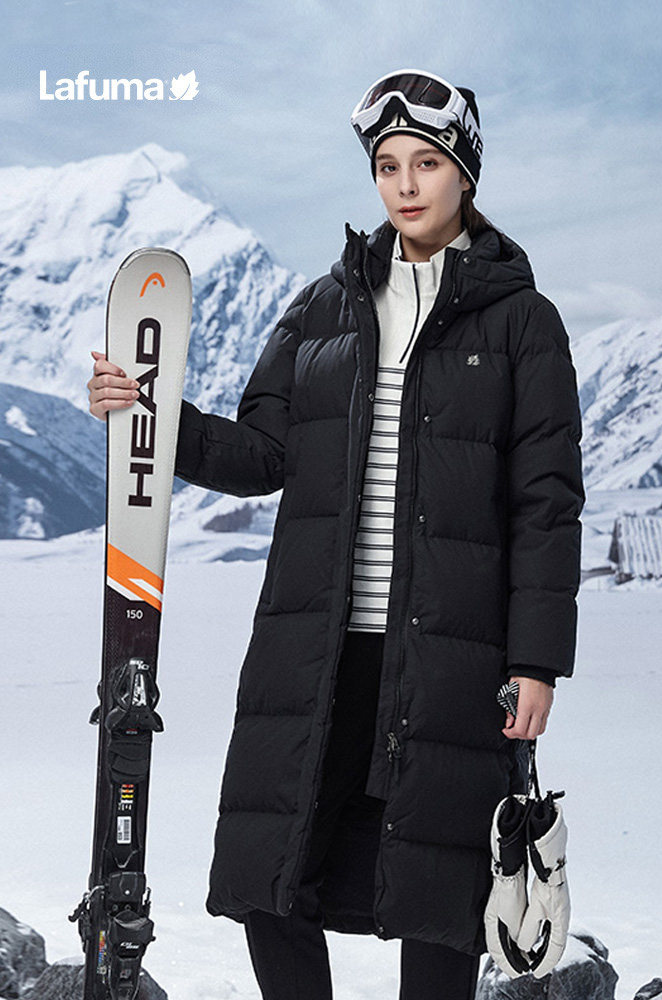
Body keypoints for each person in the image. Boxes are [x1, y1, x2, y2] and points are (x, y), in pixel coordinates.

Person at [88, 68, 585, 1000]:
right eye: (388, 166)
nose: (405, 185)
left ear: (465, 172)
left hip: (449, 652)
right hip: (315, 646)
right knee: (271, 871)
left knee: (439, 889)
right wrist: (148, 417)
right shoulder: (323, 308)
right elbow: (262, 453)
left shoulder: (525, 323)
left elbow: (545, 504)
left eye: (426, 163)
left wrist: (537, 661)